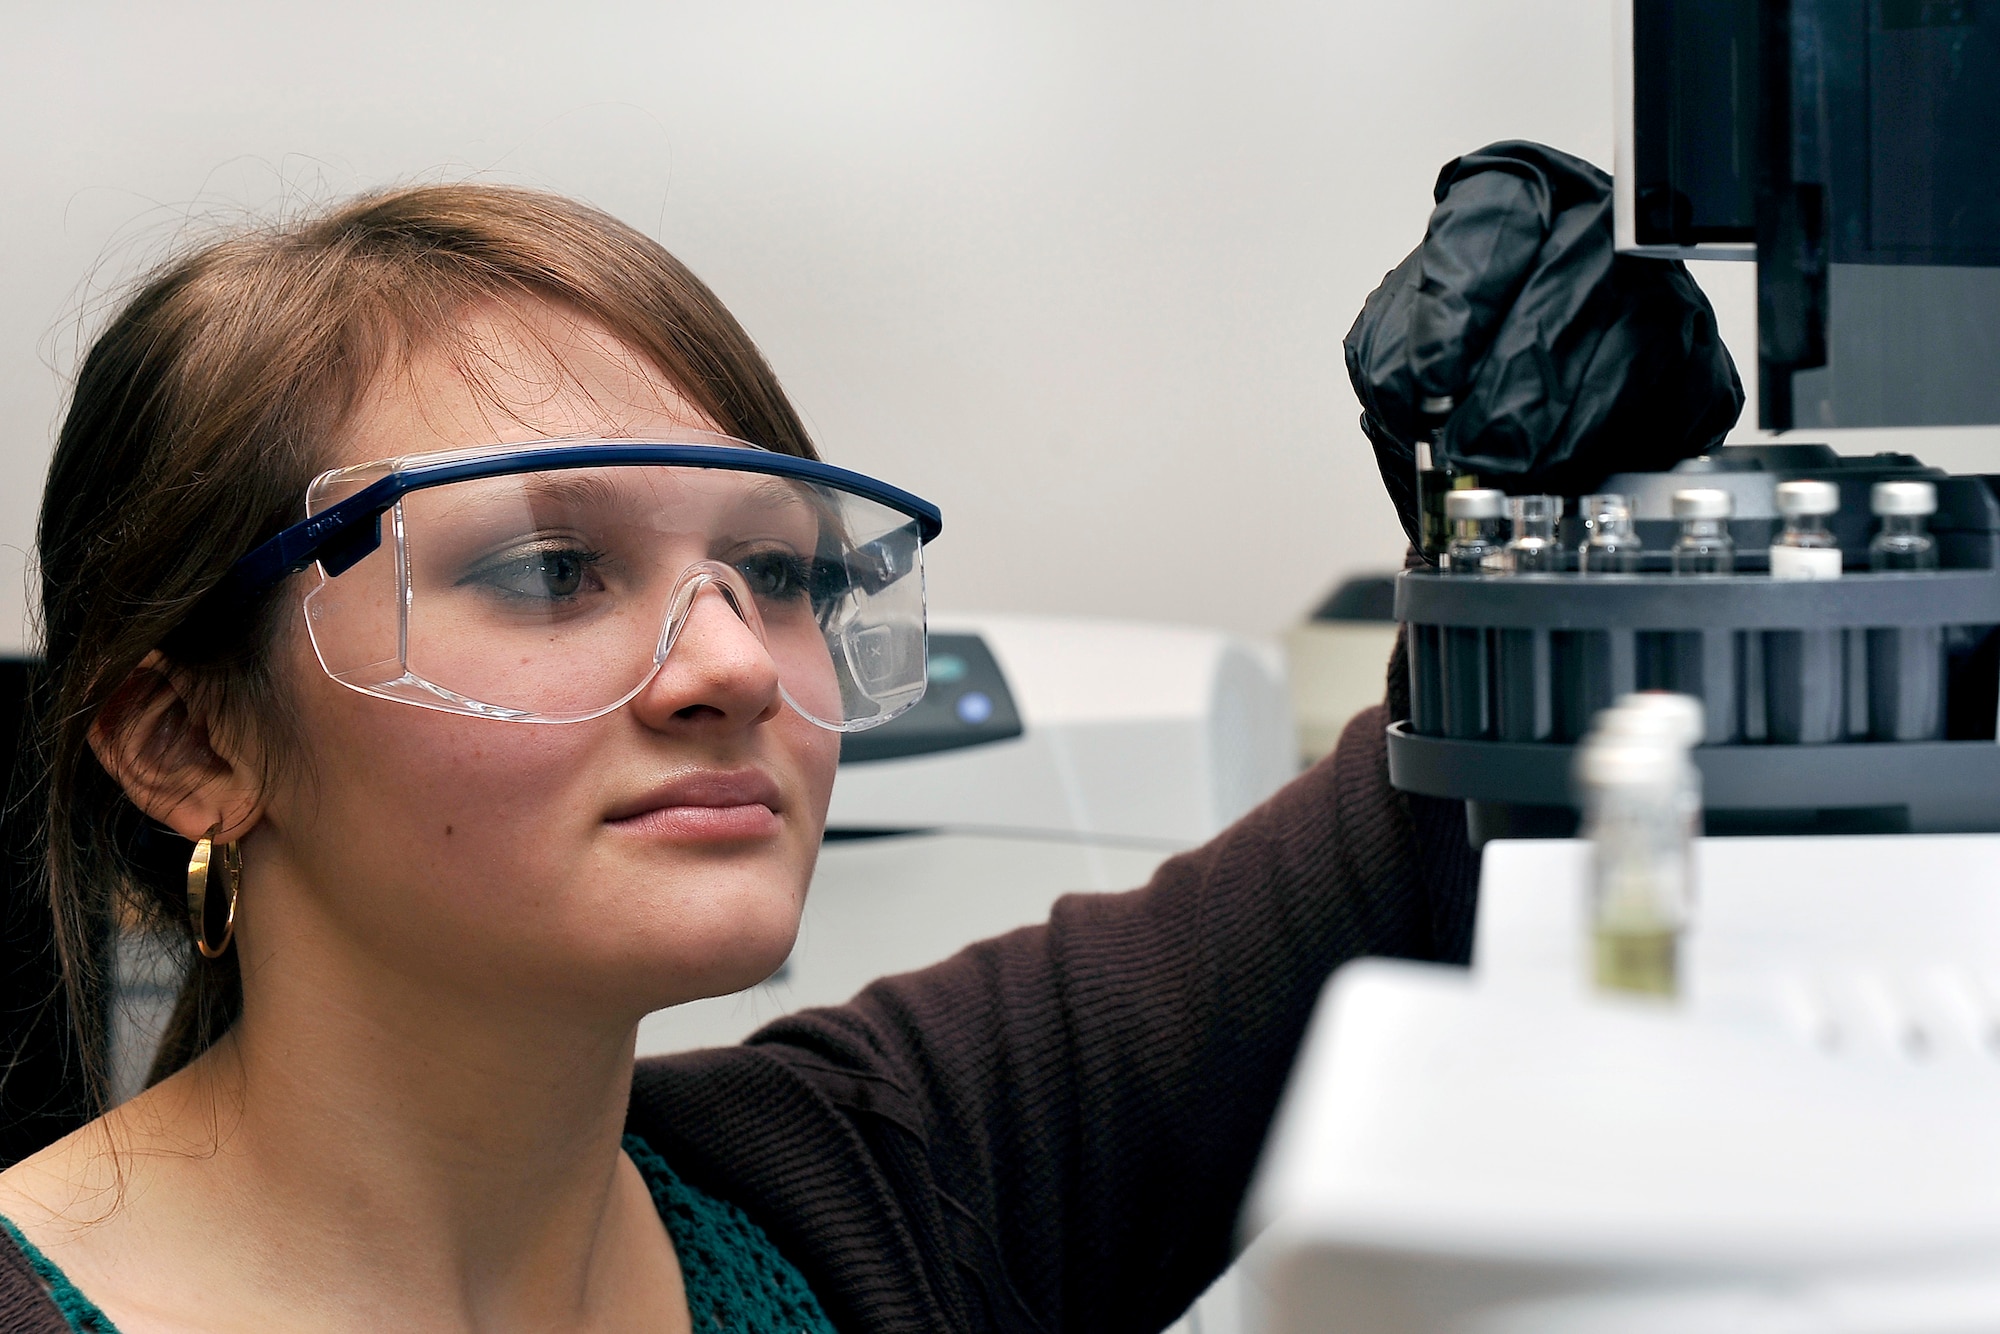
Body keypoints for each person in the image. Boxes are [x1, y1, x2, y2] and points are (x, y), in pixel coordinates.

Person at [0, 184, 1469, 1333]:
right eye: (552, 567)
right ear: (191, 739)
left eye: (780, 575)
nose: (733, 664)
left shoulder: (875, 1183)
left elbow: (1439, 815)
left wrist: (1513, 501)